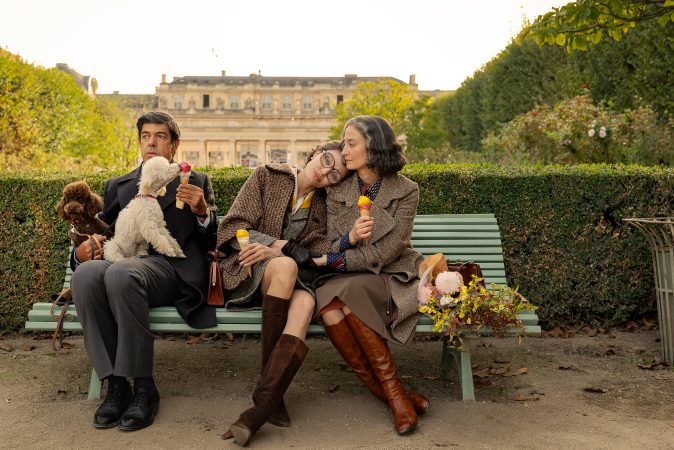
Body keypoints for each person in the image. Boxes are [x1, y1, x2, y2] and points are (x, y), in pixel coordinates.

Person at [70, 111, 218, 432]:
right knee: (85, 276)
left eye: (160, 136)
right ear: (139, 142)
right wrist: (81, 251)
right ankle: (117, 384)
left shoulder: (195, 181)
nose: (151, 142)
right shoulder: (118, 186)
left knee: (122, 274)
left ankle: (145, 387)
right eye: (145, 136)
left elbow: (213, 241)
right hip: (124, 266)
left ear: (174, 144)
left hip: (171, 271)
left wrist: (202, 212)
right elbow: (104, 233)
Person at [216, 142, 349, 446]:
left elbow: (316, 251)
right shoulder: (266, 175)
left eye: (335, 174)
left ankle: (262, 404)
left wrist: (288, 251)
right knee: (287, 265)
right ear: (315, 153)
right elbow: (232, 227)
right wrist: (280, 247)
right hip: (246, 270)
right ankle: (271, 397)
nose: (325, 171)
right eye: (326, 159)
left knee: (305, 302)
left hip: (289, 281)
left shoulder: (323, 205)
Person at [303, 115, 428, 435]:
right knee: (332, 309)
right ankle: (394, 394)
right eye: (344, 142)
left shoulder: (406, 190)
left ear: (374, 146)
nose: (344, 150)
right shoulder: (337, 189)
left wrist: (338, 260)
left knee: (343, 298)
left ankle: (393, 393)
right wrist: (348, 241)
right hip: (344, 278)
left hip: (389, 275)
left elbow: (391, 249)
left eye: (352, 143)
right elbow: (331, 242)